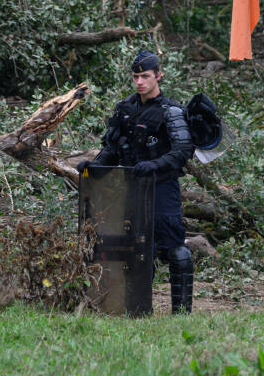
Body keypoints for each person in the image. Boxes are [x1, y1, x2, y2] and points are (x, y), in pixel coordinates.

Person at [83, 49, 195, 314]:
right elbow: (111, 148)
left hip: (162, 187)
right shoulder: (125, 109)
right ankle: (137, 309)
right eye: (135, 77)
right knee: (136, 248)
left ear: (158, 75)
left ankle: (181, 313)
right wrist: (93, 167)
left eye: (145, 76)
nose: (140, 82)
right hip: (131, 188)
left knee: (174, 249)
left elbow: (182, 151)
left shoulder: (172, 111)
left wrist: (155, 165)